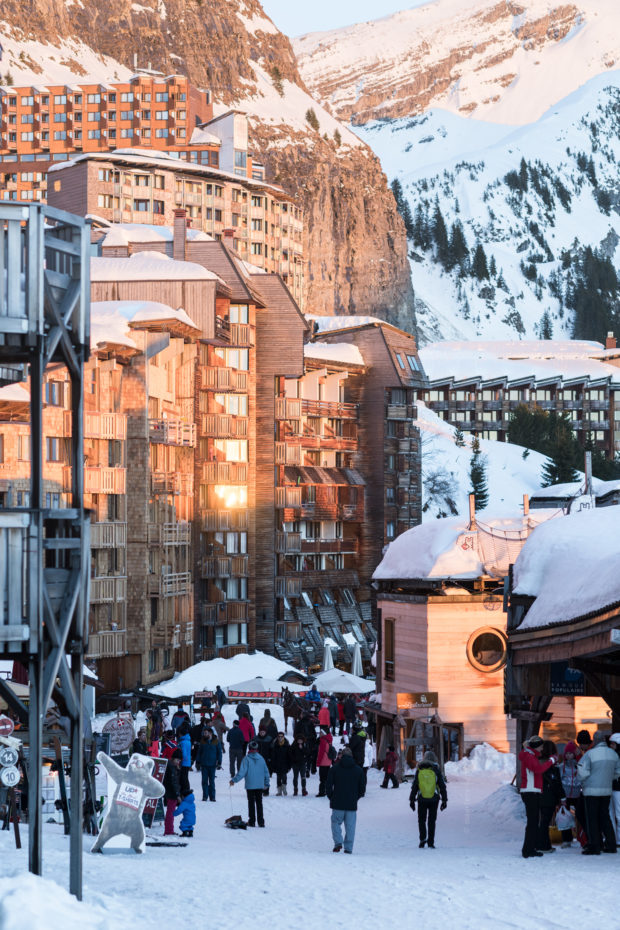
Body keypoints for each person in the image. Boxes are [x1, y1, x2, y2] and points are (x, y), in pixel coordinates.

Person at [578, 730, 620, 855]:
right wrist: (608, 778)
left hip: (591, 791)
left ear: (595, 740)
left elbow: (582, 773)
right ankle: (611, 844)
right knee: (605, 817)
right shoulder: (613, 754)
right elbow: (618, 772)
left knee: (592, 819)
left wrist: (585, 782)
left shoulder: (590, 754)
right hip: (606, 790)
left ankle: (595, 846)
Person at [518, 735, 556, 859]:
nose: (542, 748)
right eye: (541, 746)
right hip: (530, 792)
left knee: (533, 822)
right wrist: (551, 761)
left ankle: (530, 848)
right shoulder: (529, 756)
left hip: (531, 791)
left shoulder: (530, 755)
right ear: (537, 746)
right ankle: (528, 850)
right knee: (532, 822)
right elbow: (538, 769)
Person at [326, 746, 366, 854]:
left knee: (335, 822)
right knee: (350, 827)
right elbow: (362, 788)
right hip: (351, 803)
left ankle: (338, 842)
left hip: (337, 802)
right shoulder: (358, 770)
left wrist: (331, 796)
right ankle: (348, 848)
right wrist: (356, 797)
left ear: (341, 756)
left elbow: (328, 785)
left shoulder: (334, 768)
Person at [409, 750, 448, 849]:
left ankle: (422, 839)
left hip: (422, 798)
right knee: (432, 820)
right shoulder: (436, 770)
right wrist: (444, 800)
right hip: (434, 799)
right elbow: (442, 786)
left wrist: (412, 800)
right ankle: (430, 842)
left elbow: (415, 786)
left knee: (421, 820)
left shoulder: (420, 769)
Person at [230, 739, 270, 827]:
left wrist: (234, 780)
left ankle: (252, 821)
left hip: (250, 785)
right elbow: (266, 772)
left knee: (251, 803)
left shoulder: (246, 759)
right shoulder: (261, 758)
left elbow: (242, 772)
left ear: (249, 748)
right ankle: (261, 821)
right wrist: (266, 783)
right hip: (260, 785)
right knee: (259, 803)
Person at [538, 741, 564, 853]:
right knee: (545, 822)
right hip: (549, 797)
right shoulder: (552, 767)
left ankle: (542, 844)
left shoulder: (537, 763)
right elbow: (557, 784)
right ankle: (544, 846)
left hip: (538, 796)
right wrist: (562, 797)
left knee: (541, 821)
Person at [559, 742, 584, 847]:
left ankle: (582, 837)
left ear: (574, 754)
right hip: (566, 796)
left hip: (577, 795)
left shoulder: (579, 765)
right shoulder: (561, 767)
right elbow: (559, 781)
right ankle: (567, 839)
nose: (568, 755)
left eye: (571, 753)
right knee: (565, 817)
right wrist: (561, 796)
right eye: (567, 753)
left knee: (581, 816)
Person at [196, 728, 222, 802]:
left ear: (210, 733)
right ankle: (205, 796)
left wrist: (219, 762)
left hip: (212, 765)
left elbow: (219, 753)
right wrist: (198, 761)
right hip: (204, 764)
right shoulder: (203, 741)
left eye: (206, 733)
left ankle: (212, 796)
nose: (204, 734)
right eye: (204, 733)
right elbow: (199, 752)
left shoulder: (216, 742)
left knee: (212, 781)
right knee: (204, 781)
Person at [163, 749, 182, 836]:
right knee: (170, 812)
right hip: (172, 793)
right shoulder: (171, 767)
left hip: (170, 792)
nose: (178, 762)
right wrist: (177, 795)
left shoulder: (172, 766)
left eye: (179, 761)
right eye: (177, 760)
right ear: (173, 758)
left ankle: (170, 829)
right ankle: (168, 830)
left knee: (170, 812)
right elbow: (173, 782)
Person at [271, 731, 292, 796]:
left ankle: (284, 789)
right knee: (278, 778)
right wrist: (273, 765)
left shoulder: (287, 744)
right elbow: (273, 756)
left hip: (284, 764)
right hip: (277, 764)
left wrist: (289, 765)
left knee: (284, 777)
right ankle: (279, 791)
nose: (280, 738)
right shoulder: (275, 744)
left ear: (283, 737)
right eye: (279, 736)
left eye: (281, 736)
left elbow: (289, 756)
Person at [316, 726, 334, 797]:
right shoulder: (329, 740)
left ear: (323, 733)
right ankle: (328, 791)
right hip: (328, 762)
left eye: (320, 732)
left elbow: (321, 753)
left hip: (323, 762)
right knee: (327, 778)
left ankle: (322, 792)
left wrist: (318, 762)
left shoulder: (323, 741)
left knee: (322, 778)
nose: (319, 733)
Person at [610, 733, 620, 845]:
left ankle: (617, 839)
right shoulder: (612, 756)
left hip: (617, 788)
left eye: (613, 744)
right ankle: (614, 839)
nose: (611, 746)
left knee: (617, 814)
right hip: (611, 787)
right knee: (611, 814)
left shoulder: (615, 756)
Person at [178, 721, 192, 794]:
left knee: (183, 778)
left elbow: (183, 753)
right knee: (186, 777)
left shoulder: (182, 742)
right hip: (188, 762)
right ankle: (187, 790)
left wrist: (180, 760)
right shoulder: (188, 741)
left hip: (184, 762)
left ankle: (185, 791)